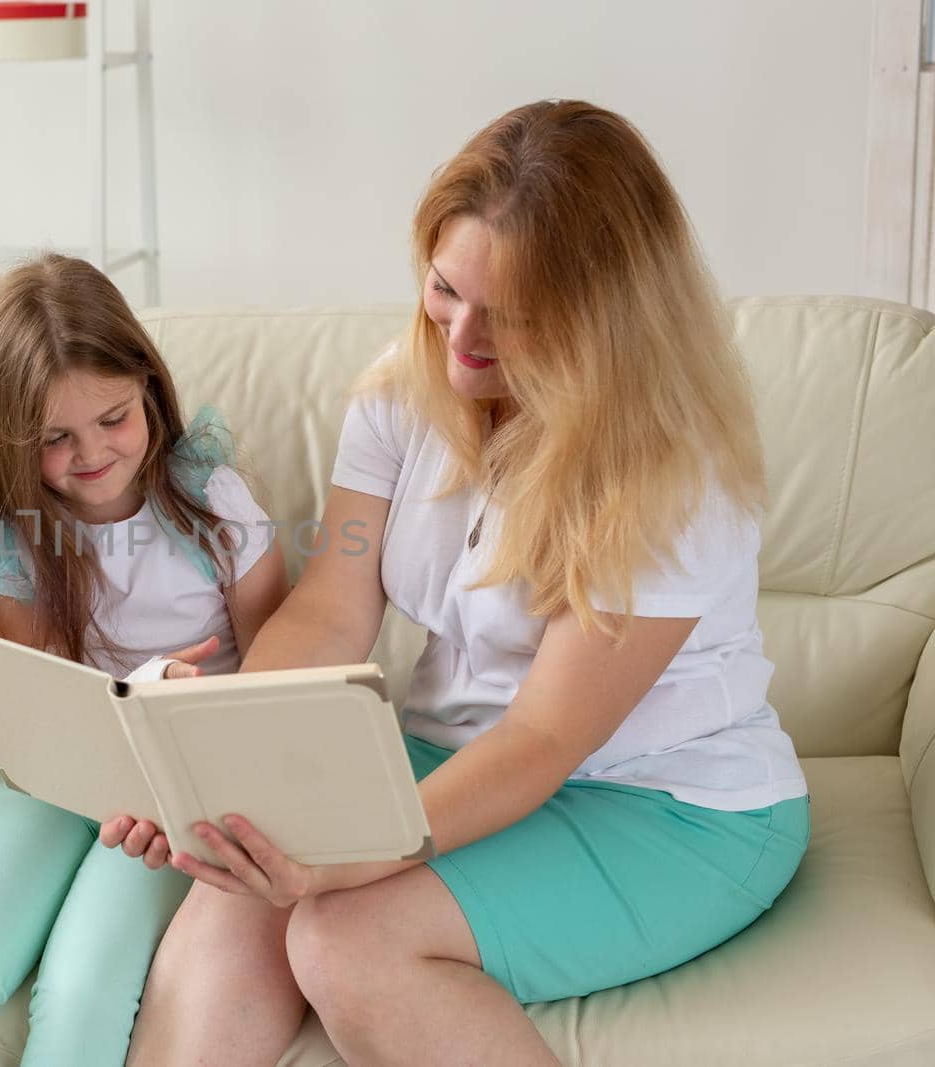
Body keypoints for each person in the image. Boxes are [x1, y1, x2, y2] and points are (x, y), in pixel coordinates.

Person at [103, 100, 812, 1065]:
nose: (462, 340)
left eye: (512, 317)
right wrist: (224, 758)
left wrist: (340, 858)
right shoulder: (407, 384)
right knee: (239, 895)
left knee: (340, 936)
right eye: (445, 290)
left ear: (602, 318)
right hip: (446, 752)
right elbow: (332, 601)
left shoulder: (671, 472)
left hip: (667, 804)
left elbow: (546, 737)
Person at [0, 253, 290, 1067]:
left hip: (184, 781)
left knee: (86, 978)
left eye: (114, 418)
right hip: (57, 772)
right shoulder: (8, 540)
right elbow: (47, 704)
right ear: (10, 438)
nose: (91, 454)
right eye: (55, 438)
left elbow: (278, 672)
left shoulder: (212, 502)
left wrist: (168, 710)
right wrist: (137, 691)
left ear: (149, 391)